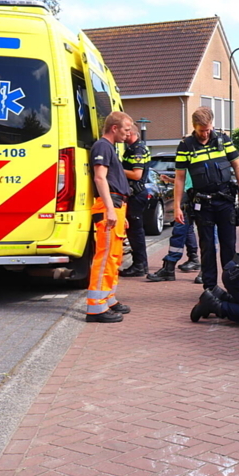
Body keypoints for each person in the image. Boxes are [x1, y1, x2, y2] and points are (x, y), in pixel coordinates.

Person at [172, 107, 239, 291]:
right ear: (194, 127)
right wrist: (176, 207)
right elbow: (180, 178)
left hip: (225, 201)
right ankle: (210, 289)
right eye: (201, 130)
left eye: (208, 129)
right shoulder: (186, 146)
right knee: (207, 248)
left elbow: (237, 166)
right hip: (202, 204)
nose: (205, 134)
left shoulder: (223, 140)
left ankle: (233, 287)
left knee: (229, 246)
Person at [86, 111, 134, 323]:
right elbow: (100, 178)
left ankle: (108, 299)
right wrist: (111, 209)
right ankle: (95, 308)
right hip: (109, 206)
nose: (128, 134)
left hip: (115, 205)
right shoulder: (103, 147)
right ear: (114, 128)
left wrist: (119, 211)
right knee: (105, 257)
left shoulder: (109, 148)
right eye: (125, 129)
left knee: (114, 257)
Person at [146, 171, 200, 282]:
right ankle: (170, 268)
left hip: (203, 197)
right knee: (181, 230)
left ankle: (205, 270)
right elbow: (183, 180)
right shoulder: (186, 157)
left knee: (207, 234)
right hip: (188, 195)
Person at [118, 127, 151, 278]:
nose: (123, 135)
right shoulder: (136, 147)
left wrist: (116, 168)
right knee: (136, 231)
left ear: (130, 133)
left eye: (125, 132)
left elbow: (136, 175)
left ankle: (139, 265)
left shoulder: (137, 150)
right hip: (137, 194)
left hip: (136, 194)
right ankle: (141, 265)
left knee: (135, 231)